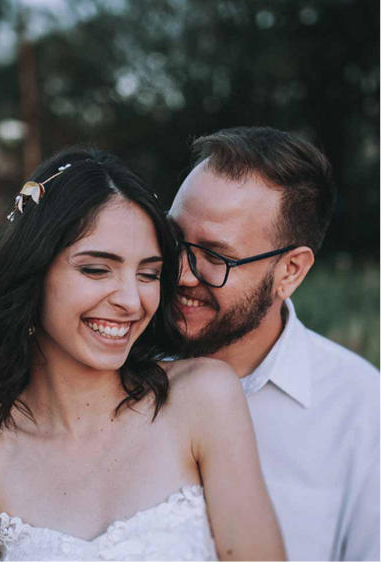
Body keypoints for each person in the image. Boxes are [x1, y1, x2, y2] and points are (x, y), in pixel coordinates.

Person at [0, 147, 285, 561]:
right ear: (33, 272)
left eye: (148, 274)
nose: (132, 301)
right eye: (97, 270)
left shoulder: (204, 396)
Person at [168, 126, 380, 562]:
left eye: (216, 257)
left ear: (290, 272)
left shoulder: (361, 412)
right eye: (172, 239)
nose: (180, 274)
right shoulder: (111, 365)